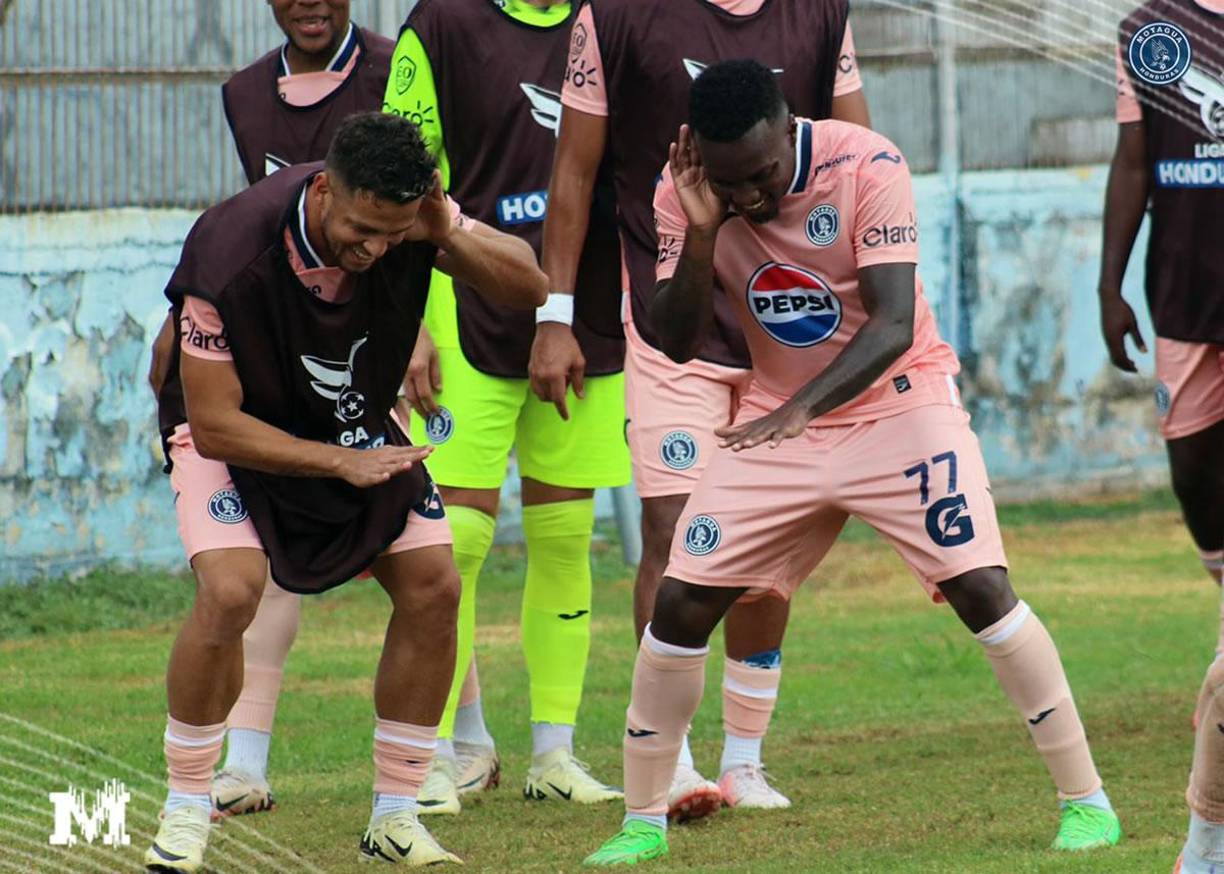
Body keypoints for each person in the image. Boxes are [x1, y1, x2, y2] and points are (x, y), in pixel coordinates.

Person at [583, 60, 1122, 866]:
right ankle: (642, 821)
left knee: (982, 587)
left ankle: (1089, 805)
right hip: (779, 422)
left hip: (898, 405)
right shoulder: (687, 189)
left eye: (761, 175)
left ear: (787, 126)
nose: (750, 196)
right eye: (732, 183)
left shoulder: (868, 161)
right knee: (680, 606)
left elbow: (893, 322)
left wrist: (801, 408)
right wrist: (702, 231)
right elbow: (677, 340)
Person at [144, 112, 546, 871]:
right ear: (325, 189)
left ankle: (395, 815)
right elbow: (217, 425)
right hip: (236, 430)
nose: (376, 250)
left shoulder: (410, 222)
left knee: (435, 585)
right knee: (232, 593)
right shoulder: (229, 247)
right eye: (362, 229)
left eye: (393, 236)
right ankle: (187, 804)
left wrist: (446, 228)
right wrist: (336, 464)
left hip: (351, 423)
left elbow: (529, 286)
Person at [538, 0, 872, 816]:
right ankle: (675, 760)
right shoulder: (611, 17)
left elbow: (860, 154)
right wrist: (554, 315)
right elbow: (574, 173)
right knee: (676, 531)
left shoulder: (821, 13)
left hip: (787, 331)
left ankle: (746, 760)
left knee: (766, 541)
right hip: (670, 322)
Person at [146, 0, 399, 821]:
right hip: (261, 357)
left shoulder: (400, 69)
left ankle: (445, 761)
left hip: (364, 345)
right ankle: (230, 772)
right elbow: (235, 235)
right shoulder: (243, 93)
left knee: (436, 555)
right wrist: (188, 313)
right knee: (241, 584)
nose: (311, 3)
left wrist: (420, 327)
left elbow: (416, 218)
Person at [381, 0, 629, 814]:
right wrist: (408, 319)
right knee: (455, 543)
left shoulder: (610, 16)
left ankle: (553, 754)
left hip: (584, 307)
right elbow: (399, 175)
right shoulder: (443, 22)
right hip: (465, 311)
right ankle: (438, 756)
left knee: (566, 533)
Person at [1101, 2, 1224, 870]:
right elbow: (1134, 159)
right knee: (1194, 478)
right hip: (1184, 295)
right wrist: (1111, 285)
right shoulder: (1151, 27)